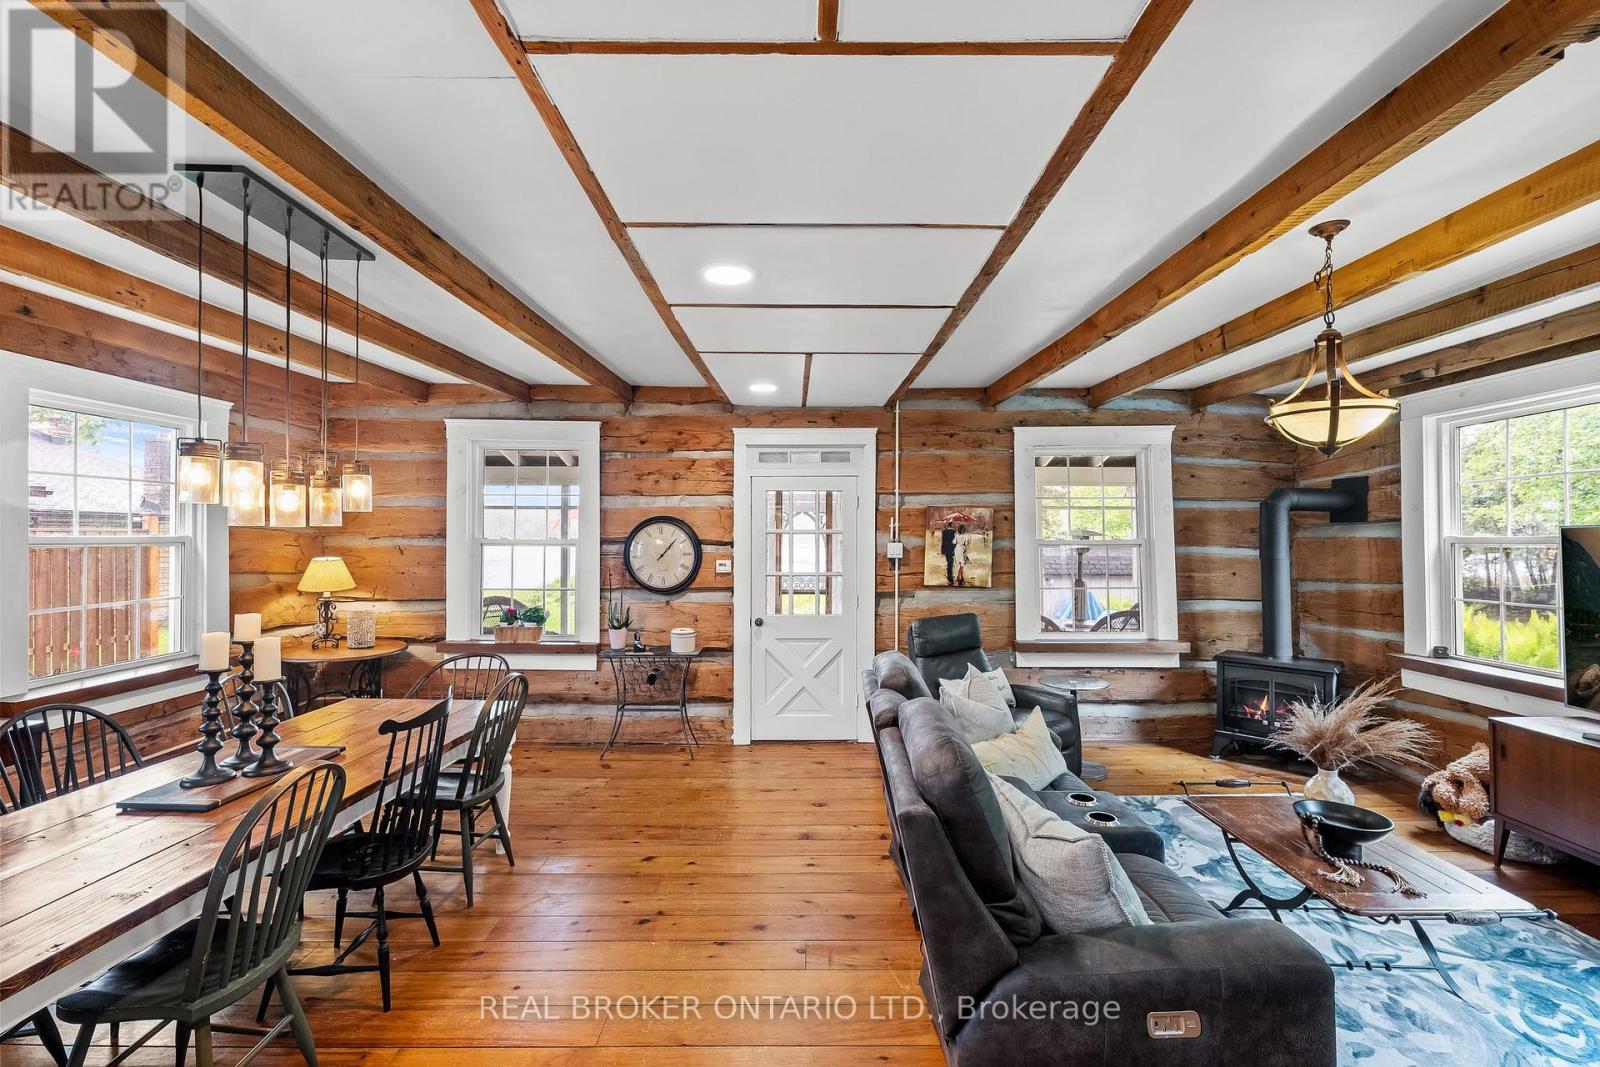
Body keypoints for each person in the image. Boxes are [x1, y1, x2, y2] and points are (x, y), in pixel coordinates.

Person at [939, 520, 957, 586]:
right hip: (952, 549)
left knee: (948, 562)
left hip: (946, 549)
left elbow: (943, 541)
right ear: (952, 525)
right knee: (951, 563)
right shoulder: (954, 532)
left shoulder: (944, 532)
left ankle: (949, 575)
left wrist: (942, 550)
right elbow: (955, 542)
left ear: (948, 525)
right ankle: (950, 577)